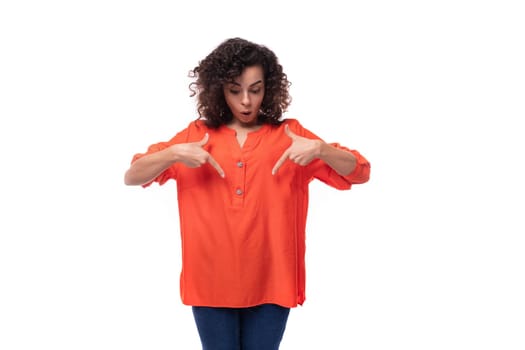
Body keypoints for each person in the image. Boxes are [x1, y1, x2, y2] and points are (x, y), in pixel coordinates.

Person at [124, 37, 371, 350]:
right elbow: (132, 175)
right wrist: (172, 154)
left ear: (268, 88)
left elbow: (360, 172)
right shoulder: (195, 137)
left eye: (255, 89)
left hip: (273, 281)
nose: (245, 101)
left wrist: (322, 150)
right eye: (234, 90)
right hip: (210, 282)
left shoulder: (290, 136)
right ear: (218, 90)